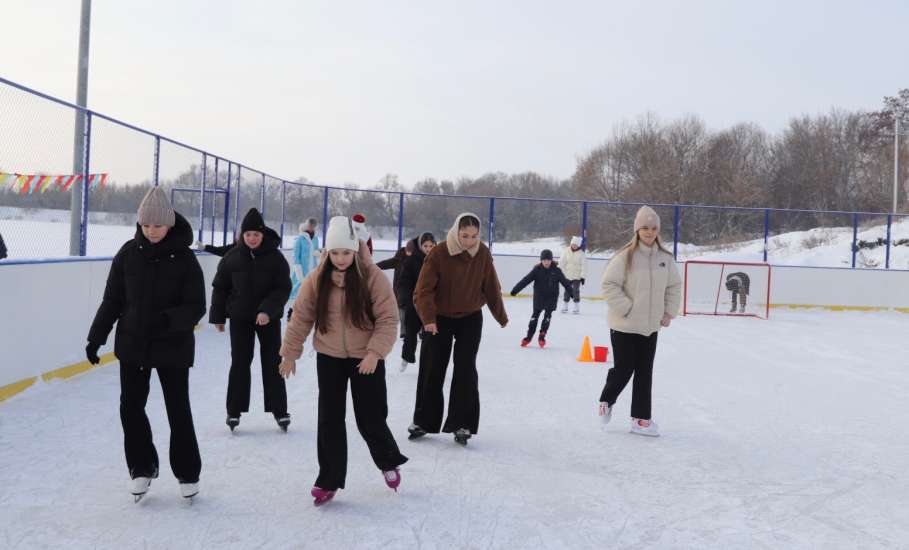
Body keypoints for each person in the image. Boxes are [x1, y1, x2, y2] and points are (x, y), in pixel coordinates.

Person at [85, 187, 205, 502]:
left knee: (178, 410)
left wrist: (168, 321)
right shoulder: (128, 254)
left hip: (173, 347)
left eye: (158, 225)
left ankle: (187, 472)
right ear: (140, 224)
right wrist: (96, 337)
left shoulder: (185, 258)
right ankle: (142, 467)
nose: (152, 231)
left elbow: (196, 306)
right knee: (131, 408)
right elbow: (112, 300)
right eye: (146, 225)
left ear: (169, 223)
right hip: (133, 345)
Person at [279, 216, 407, 506]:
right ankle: (329, 478)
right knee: (330, 419)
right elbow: (301, 317)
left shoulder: (372, 277)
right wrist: (290, 352)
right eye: (334, 253)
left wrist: (375, 353)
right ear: (327, 252)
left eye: (346, 253)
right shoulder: (318, 277)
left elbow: (388, 319)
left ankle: (388, 462)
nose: (340, 259)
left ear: (355, 249)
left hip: (367, 358)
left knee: (370, 417)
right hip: (330, 357)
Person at [409, 213, 508, 446]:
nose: (469, 241)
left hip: (471, 318)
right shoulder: (439, 252)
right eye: (464, 236)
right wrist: (428, 318)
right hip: (439, 319)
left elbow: (492, 286)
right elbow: (423, 290)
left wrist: (500, 315)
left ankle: (463, 423)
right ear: (455, 232)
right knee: (432, 367)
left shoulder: (482, 253)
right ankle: (424, 421)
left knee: (465, 369)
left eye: (474, 236)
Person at [599, 206, 681, 437]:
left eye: (654, 228)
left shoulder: (665, 258)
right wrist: (627, 308)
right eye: (645, 227)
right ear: (637, 229)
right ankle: (607, 398)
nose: (649, 232)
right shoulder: (625, 256)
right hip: (624, 324)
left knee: (645, 372)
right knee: (624, 369)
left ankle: (641, 420)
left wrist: (668, 313)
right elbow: (608, 285)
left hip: (650, 326)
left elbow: (674, 286)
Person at [210, 208, 292, 433]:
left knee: (272, 362)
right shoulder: (232, 257)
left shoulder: (275, 257)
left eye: (256, 234)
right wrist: (218, 316)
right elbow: (220, 288)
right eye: (247, 235)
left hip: (269, 319)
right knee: (239, 362)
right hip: (240, 318)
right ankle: (234, 411)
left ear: (262, 234)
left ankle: (280, 410)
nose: (252, 239)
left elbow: (282, 288)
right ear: (241, 235)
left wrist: (267, 310)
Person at [509, 249, 573, 348]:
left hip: (551, 298)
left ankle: (542, 335)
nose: (546, 262)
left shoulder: (556, 270)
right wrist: (515, 290)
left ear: (551, 260)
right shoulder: (537, 270)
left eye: (548, 260)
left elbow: (565, 283)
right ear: (541, 260)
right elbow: (526, 280)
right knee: (534, 317)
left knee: (547, 317)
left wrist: (572, 293)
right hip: (539, 297)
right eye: (544, 260)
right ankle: (529, 336)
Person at [397, 232, 436, 372]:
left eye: (431, 246)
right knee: (410, 333)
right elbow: (403, 282)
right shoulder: (411, 261)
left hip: (430, 306)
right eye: (426, 246)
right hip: (414, 304)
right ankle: (406, 358)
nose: (428, 249)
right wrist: (406, 299)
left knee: (430, 336)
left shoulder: (438, 261)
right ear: (420, 246)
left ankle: (428, 363)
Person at [376, 239, 414, 338]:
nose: (410, 253)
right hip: (400, 289)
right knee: (402, 308)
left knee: (415, 310)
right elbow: (385, 263)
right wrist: (374, 267)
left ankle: (419, 330)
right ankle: (403, 330)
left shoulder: (418, 260)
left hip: (413, 289)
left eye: (412, 251)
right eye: (408, 251)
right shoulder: (399, 259)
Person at [288, 217, 321, 320]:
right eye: (310, 225)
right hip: (301, 269)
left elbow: (316, 250)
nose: (311, 228)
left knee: (311, 291)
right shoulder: (300, 239)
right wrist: (297, 268)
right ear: (307, 225)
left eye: (313, 226)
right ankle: (293, 313)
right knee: (298, 290)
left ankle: (309, 312)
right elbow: (296, 255)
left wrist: (317, 253)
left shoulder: (315, 238)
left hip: (312, 269)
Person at [559, 236, 586, 314]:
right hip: (567, 275)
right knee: (567, 290)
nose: (574, 246)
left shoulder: (581, 254)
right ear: (571, 243)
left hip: (577, 276)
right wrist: (558, 271)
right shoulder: (566, 251)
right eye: (573, 244)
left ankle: (576, 306)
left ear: (578, 245)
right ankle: (565, 305)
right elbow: (562, 262)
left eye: (576, 245)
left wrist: (583, 277)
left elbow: (584, 266)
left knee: (575, 291)